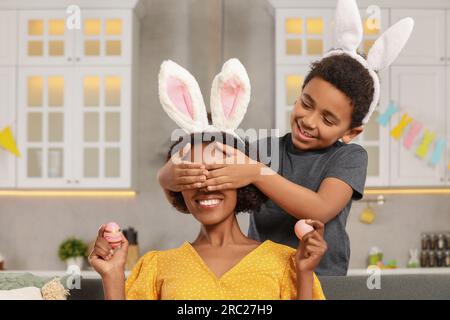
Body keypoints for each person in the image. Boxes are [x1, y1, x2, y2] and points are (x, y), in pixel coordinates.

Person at [158, 0, 414, 275]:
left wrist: (256, 173)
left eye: (328, 119)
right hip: (264, 278)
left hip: (323, 280)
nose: (309, 120)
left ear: (351, 132)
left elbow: (320, 208)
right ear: (299, 94)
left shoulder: (349, 157)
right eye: (306, 103)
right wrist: (167, 177)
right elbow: (207, 179)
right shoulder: (262, 149)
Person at [89, 132, 327, 300]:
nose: (205, 186)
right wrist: (112, 276)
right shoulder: (156, 266)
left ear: (241, 182)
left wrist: (305, 274)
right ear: (179, 187)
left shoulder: (286, 262)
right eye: (191, 176)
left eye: (217, 172)